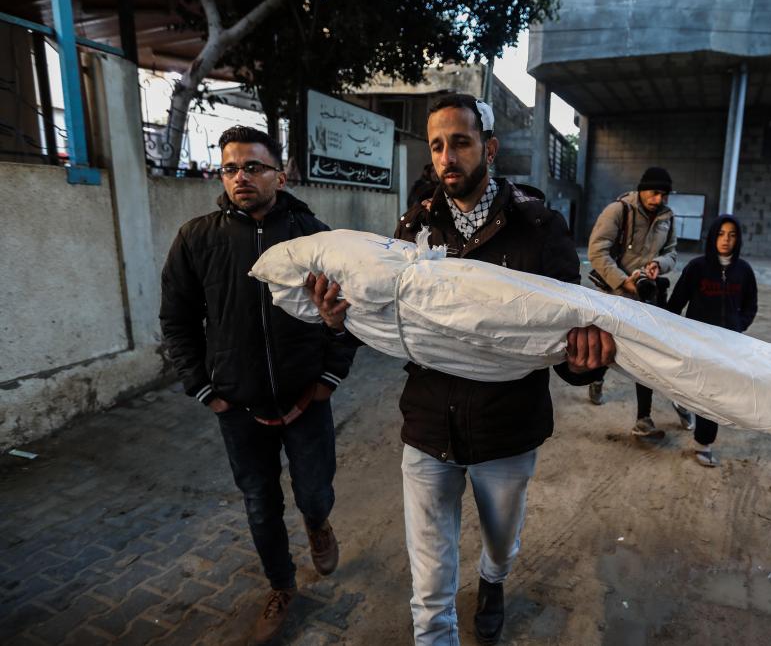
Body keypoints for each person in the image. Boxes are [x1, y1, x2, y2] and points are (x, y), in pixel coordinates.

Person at [311, 94, 613, 645]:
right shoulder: (412, 232)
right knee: (428, 593)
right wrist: (338, 323)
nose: (447, 156)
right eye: (437, 145)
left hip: (507, 429)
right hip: (427, 427)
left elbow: (565, 340)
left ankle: (493, 582)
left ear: (489, 149)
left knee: (500, 543)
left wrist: (584, 362)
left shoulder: (540, 228)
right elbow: (383, 315)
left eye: (461, 142)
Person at [160, 125, 358, 644]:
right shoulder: (196, 238)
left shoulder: (315, 237)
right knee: (258, 503)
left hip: (306, 399)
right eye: (230, 168)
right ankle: (281, 586)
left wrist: (330, 377)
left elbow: (347, 312)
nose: (240, 177)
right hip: (239, 407)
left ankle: (318, 523)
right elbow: (176, 320)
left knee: (314, 490)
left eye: (253, 166)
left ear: (280, 173)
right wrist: (204, 388)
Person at [586, 166, 677, 439]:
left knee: (644, 353)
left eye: (664, 194)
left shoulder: (667, 217)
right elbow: (597, 251)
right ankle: (597, 378)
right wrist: (621, 280)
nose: (659, 199)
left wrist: (657, 266)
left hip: (646, 294)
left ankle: (644, 417)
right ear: (641, 189)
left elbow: (672, 253)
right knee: (608, 345)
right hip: (615, 293)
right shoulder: (619, 210)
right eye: (654, 192)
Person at [666, 214, 758, 467]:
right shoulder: (697, 268)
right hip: (696, 342)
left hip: (726, 345)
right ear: (713, 236)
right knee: (691, 387)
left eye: (732, 235)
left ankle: (703, 444)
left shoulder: (744, 271)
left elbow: (751, 305)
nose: (726, 240)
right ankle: (681, 402)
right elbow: (676, 303)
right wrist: (675, 334)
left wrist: (738, 326)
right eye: (721, 234)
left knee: (714, 394)